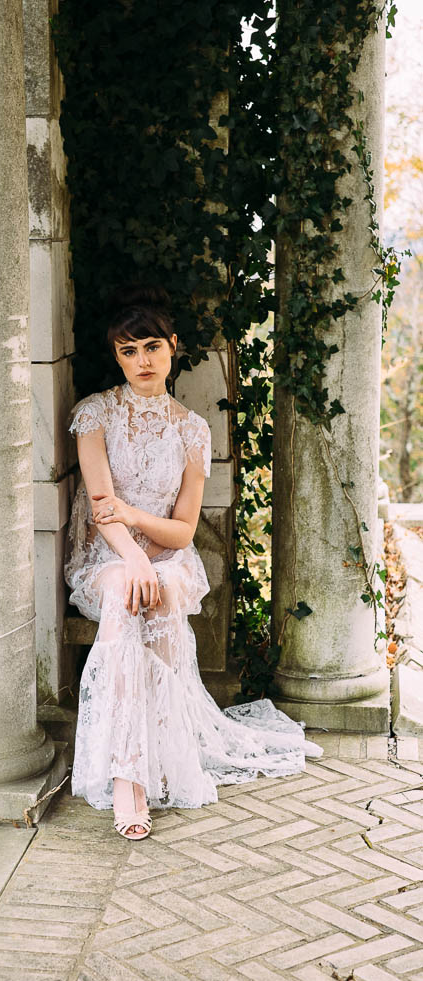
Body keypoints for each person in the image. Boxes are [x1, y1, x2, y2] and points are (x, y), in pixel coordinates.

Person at [64, 286, 323, 841]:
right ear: (116, 356)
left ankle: (159, 756)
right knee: (125, 593)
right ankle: (127, 776)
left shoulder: (192, 430)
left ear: (173, 346)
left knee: (159, 593)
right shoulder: (95, 414)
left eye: (152, 347)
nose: (142, 361)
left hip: (169, 554)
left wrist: (142, 532)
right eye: (128, 351)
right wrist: (133, 556)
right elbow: (102, 509)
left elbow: (183, 530)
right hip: (106, 555)